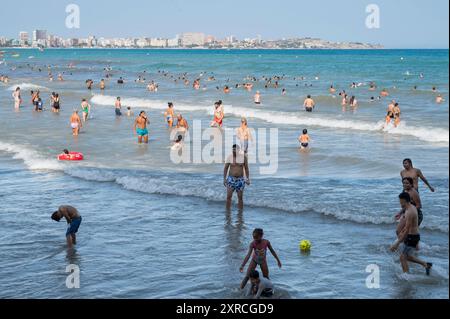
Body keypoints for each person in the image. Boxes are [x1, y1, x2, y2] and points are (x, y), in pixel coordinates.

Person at [390, 193, 432, 276]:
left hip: (412, 237)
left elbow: (407, 229)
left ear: (405, 201)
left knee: (403, 257)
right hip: (411, 236)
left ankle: (406, 276)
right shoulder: (409, 208)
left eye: (401, 202)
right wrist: (401, 233)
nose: (400, 204)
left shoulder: (410, 211)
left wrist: (397, 243)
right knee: (407, 256)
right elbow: (406, 227)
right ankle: (425, 264)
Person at [224, 145, 250, 210]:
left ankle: (240, 213)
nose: (233, 151)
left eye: (235, 150)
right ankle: (228, 211)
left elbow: (246, 168)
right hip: (231, 179)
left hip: (240, 180)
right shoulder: (229, 157)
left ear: (238, 150)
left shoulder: (244, 158)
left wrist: (247, 179)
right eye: (232, 150)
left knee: (240, 197)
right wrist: (224, 179)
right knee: (228, 197)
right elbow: (226, 168)